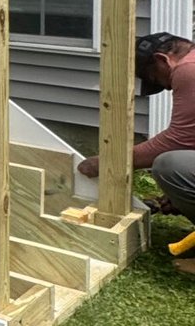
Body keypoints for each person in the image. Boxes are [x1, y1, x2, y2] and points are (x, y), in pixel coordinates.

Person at [78, 32, 195, 240]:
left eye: (154, 78)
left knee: (169, 165)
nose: (167, 87)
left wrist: (109, 161)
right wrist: (183, 193)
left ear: (162, 60)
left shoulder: (188, 69)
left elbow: (180, 139)